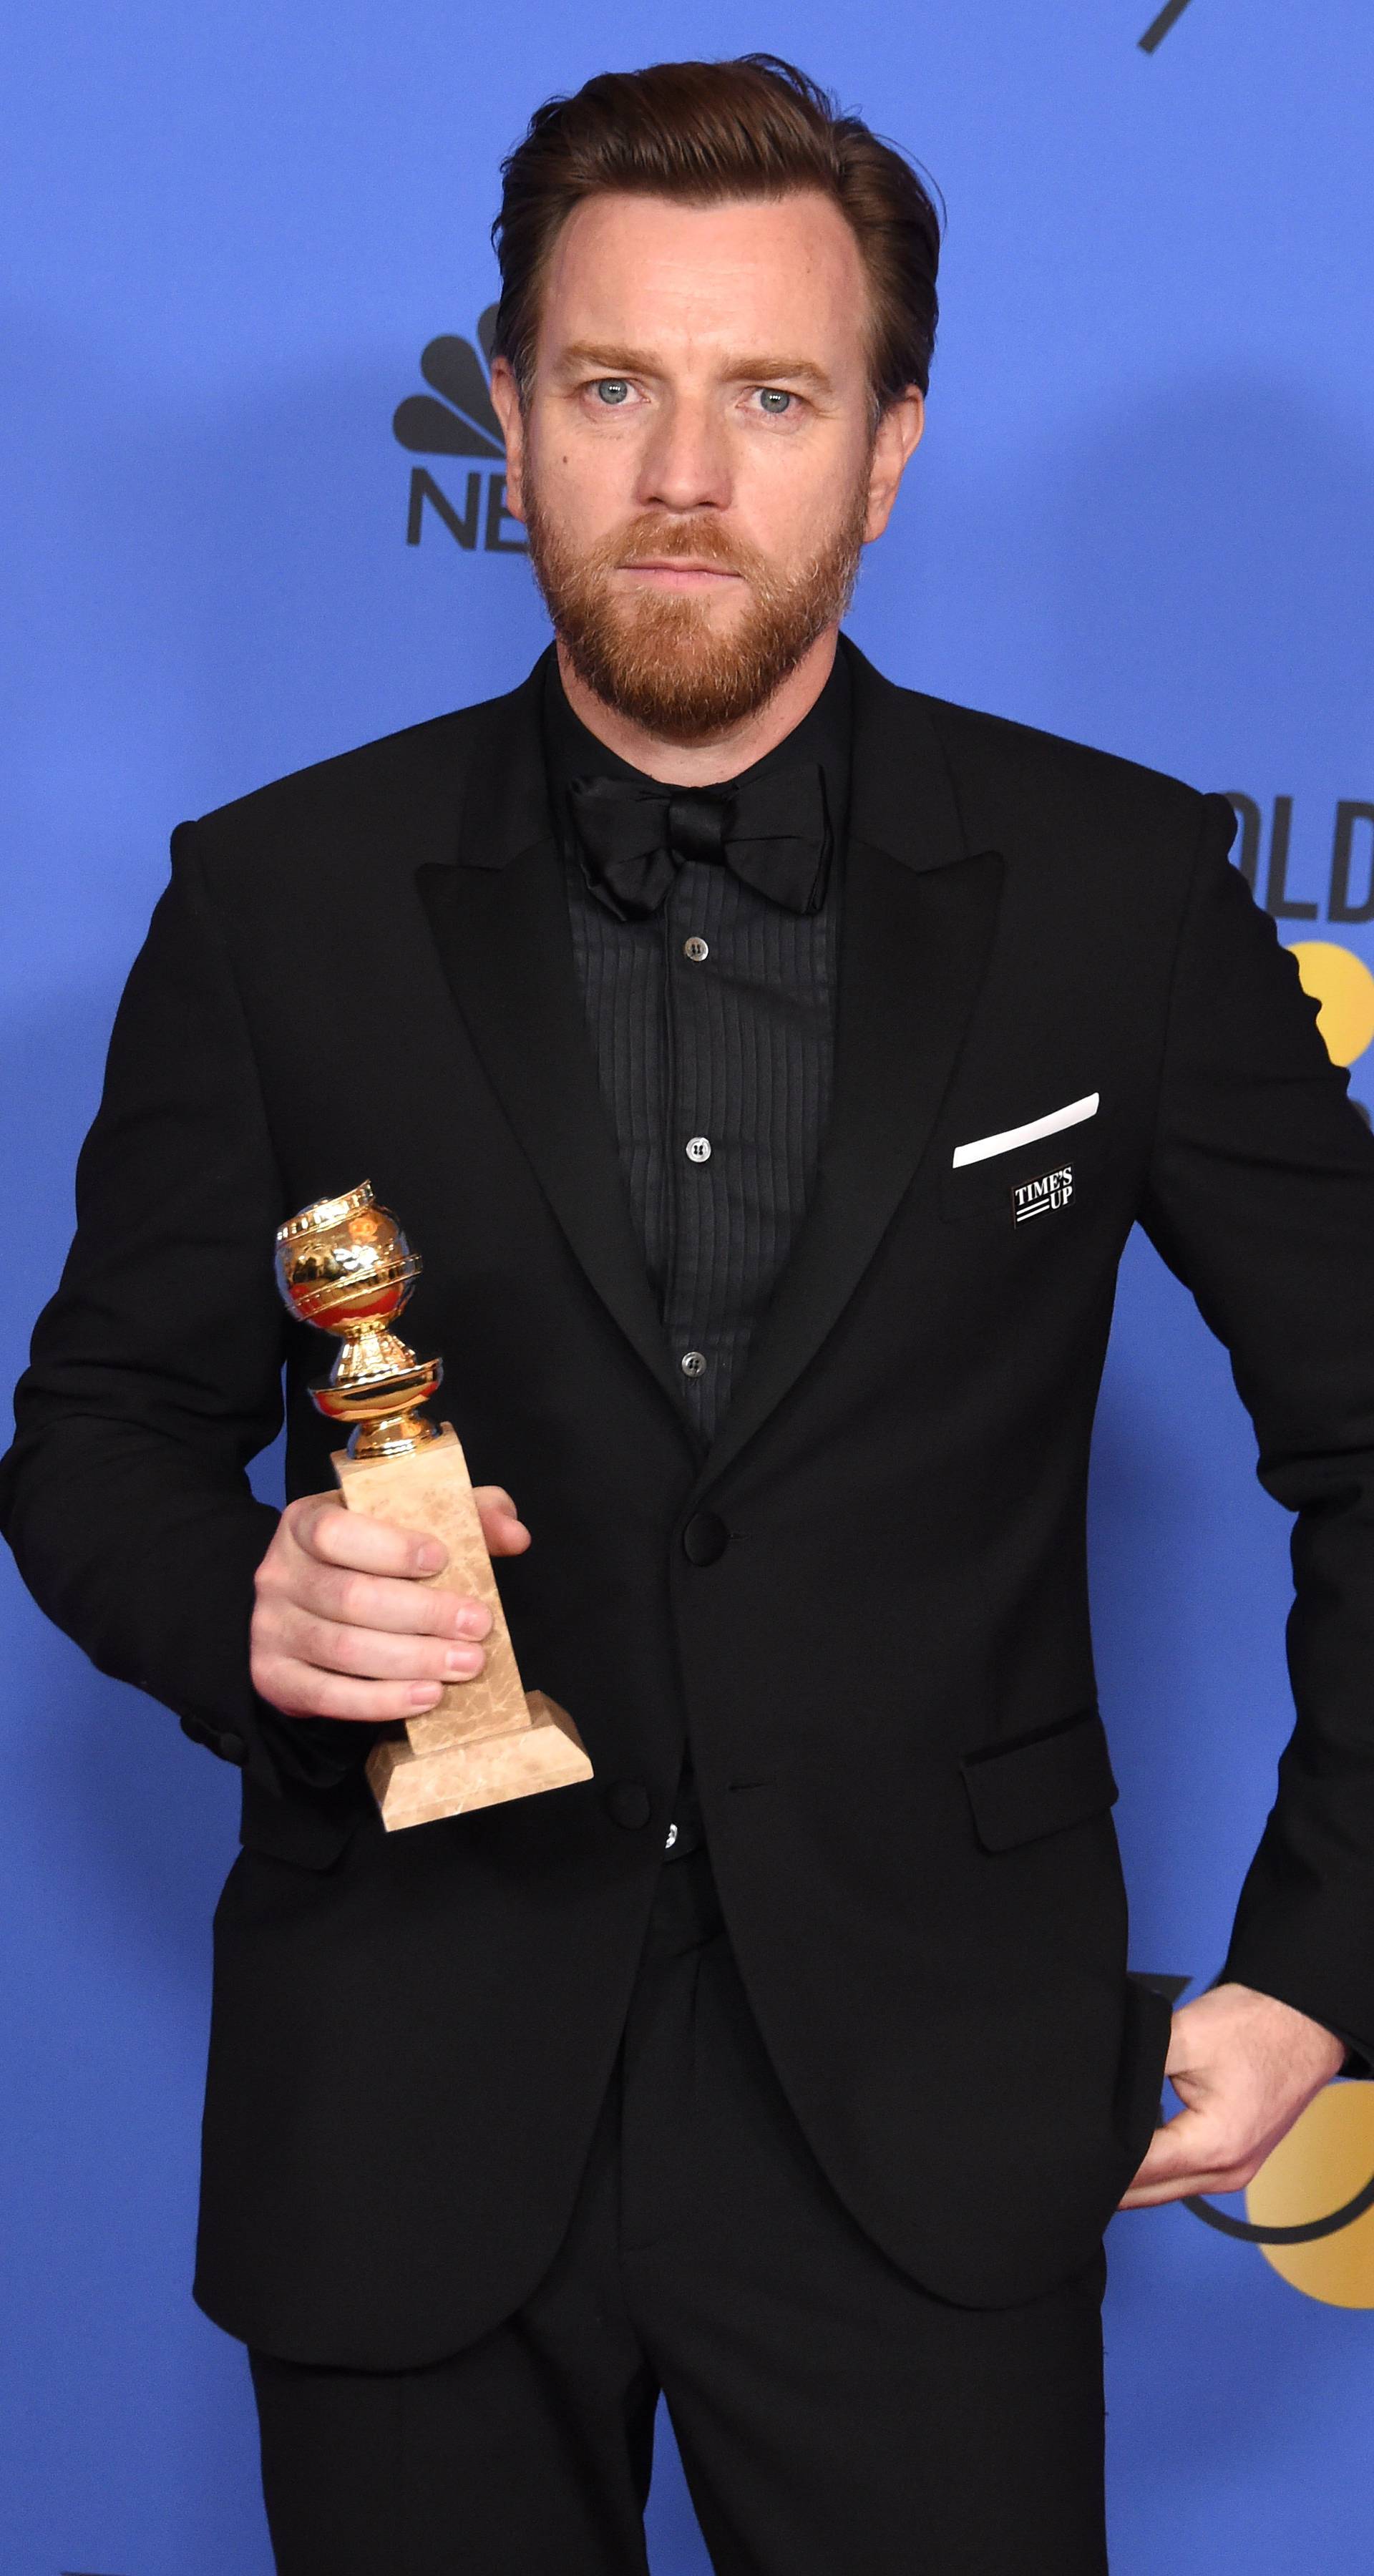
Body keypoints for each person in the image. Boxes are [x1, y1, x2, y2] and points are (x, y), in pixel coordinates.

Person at [4, 52, 1372, 2576]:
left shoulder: (1113, 888)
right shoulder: (275, 901)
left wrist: (1323, 1970)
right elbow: (94, 1439)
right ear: (509, 415)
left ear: (891, 445)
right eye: (614, 385)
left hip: (930, 2130)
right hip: (405, 2107)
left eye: (774, 395)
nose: (683, 476)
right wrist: (254, 1605)